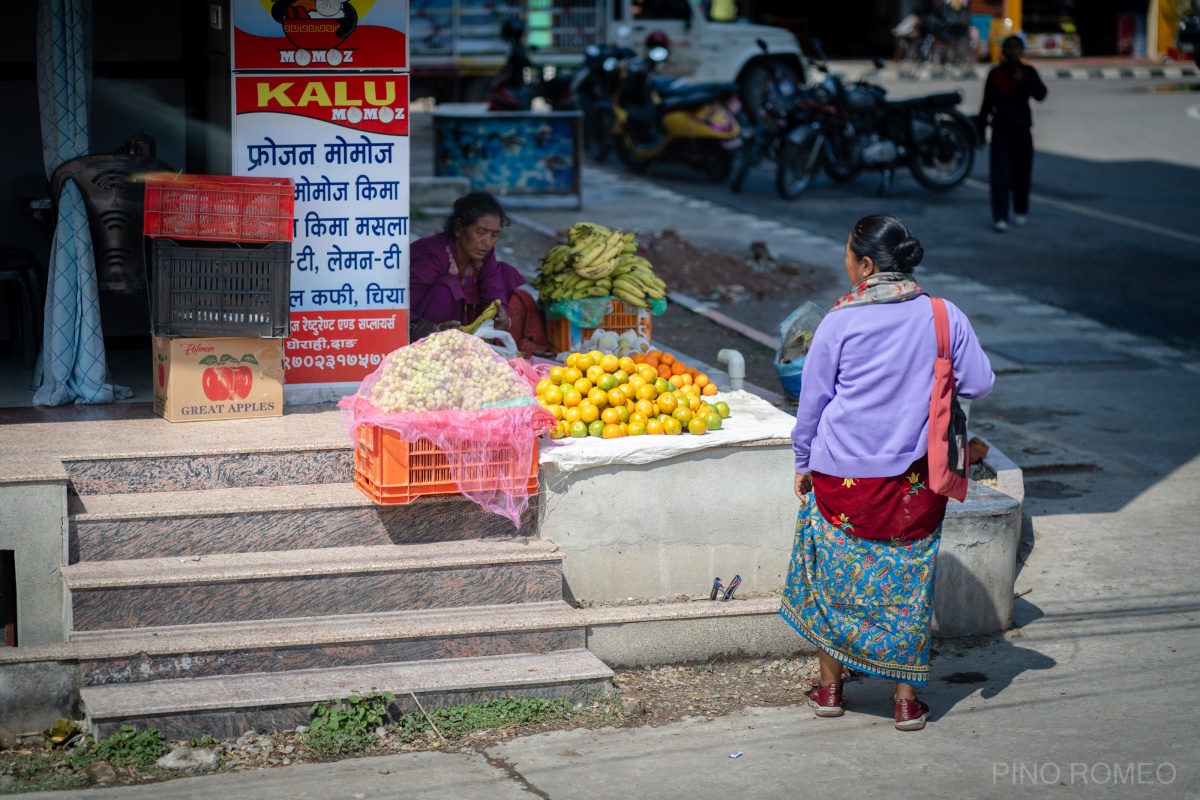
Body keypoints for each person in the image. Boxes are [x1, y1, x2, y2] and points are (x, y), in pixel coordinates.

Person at [781, 214, 994, 732]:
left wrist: (802, 461)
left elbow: (811, 404)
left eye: (849, 255)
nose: (845, 263)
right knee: (909, 587)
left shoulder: (839, 321)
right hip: (915, 485)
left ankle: (831, 690)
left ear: (867, 265)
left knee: (832, 583)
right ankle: (905, 701)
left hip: (840, 480)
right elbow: (980, 382)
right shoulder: (944, 316)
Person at [409, 192, 551, 354]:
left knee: (505, 272)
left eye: (494, 235)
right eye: (481, 232)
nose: (488, 242)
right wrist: (433, 329)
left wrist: (502, 313)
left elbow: (494, 290)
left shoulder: (484, 253)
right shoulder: (431, 253)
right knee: (447, 288)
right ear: (458, 228)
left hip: (464, 322)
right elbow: (409, 311)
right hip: (428, 329)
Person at [978, 36, 1048, 233]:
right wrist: (981, 129)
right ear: (1004, 51)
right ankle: (1000, 216)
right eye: (1009, 47)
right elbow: (986, 104)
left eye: (1016, 47)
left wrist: (1022, 81)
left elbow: (1041, 94)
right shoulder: (996, 74)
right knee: (1000, 175)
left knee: (1022, 175)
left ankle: (1020, 209)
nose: (1012, 51)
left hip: (1022, 132)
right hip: (1000, 132)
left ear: (1022, 50)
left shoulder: (1028, 72)